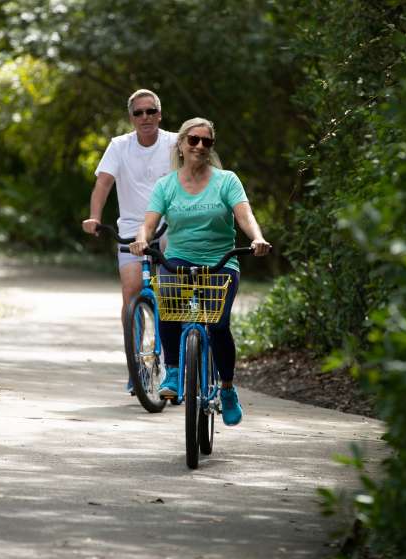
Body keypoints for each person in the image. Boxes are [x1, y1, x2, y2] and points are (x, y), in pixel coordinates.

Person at [129, 117, 271, 426]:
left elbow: (244, 215)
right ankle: (175, 371)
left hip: (221, 261)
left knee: (218, 325)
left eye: (207, 141)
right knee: (167, 301)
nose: (200, 146)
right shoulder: (166, 185)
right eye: (193, 140)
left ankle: (228, 389)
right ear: (180, 144)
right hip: (179, 258)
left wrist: (256, 237)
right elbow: (149, 222)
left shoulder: (227, 180)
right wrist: (142, 240)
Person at [82, 89, 177, 393]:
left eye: (151, 111)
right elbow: (103, 183)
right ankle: (136, 365)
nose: (145, 117)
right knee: (131, 292)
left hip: (170, 227)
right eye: (139, 113)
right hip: (133, 228)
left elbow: (196, 175)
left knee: (172, 296)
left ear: (159, 114)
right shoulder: (119, 146)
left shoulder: (175, 143)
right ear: (131, 118)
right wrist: (95, 217)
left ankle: (174, 366)